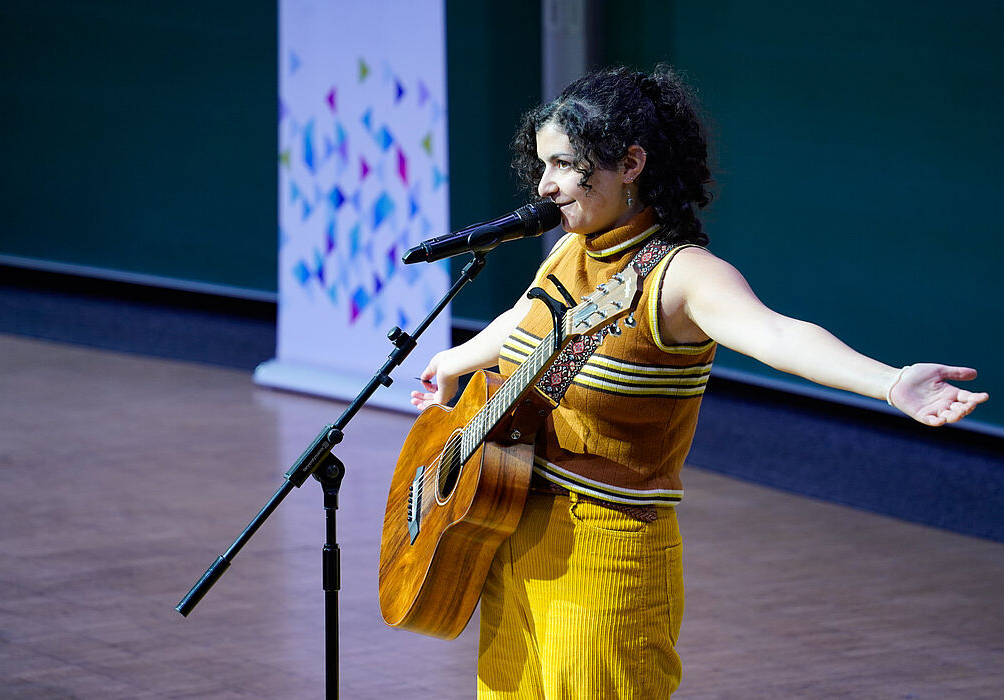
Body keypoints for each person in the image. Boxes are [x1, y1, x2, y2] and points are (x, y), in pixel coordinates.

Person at [408, 65, 988, 699]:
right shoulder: (571, 248)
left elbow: (779, 336)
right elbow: (523, 319)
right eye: (541, 164)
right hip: (510, 523)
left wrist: (892, 382)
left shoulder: (684, 276)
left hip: (604, 552)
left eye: (563, 165)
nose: (544, 185)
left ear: (629, 163)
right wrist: (456, 360)